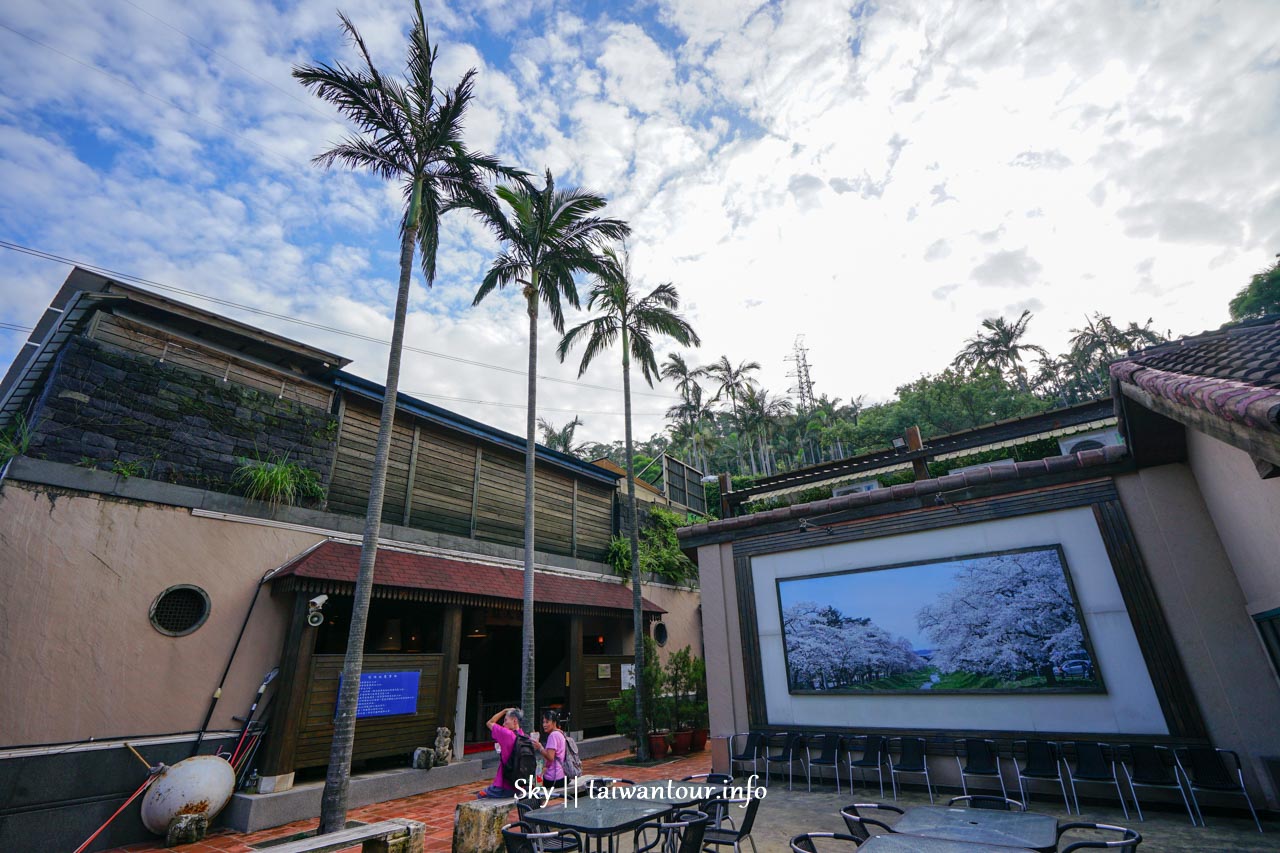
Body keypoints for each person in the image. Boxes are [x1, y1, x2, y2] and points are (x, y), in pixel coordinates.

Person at [477, 706, 525, 798]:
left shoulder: (507, 734)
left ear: (514, 721)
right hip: (518, 786)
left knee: (481, 795)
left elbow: (489, 723)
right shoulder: (523, 735)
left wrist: (504, 711)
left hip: (504, 785)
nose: (503, 724)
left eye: (506, 720)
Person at [538, 709, 567, 788]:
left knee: (534, 781)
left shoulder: (553, 736)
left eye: (547, 722)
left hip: (554, 779)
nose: (544, 725)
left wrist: (540, 747)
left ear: (554, 722)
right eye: (543, 722)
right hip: (562, 776)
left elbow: (550, 757)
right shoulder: (560, 733)